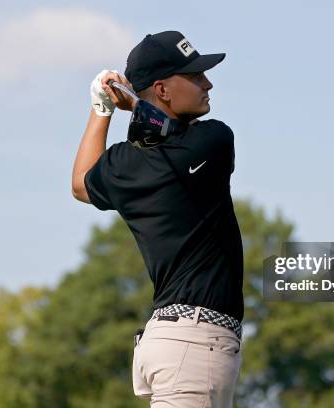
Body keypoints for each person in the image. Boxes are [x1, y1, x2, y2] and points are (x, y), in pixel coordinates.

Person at [71, 30, 243, 407]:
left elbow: (82, 185)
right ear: (163, 90)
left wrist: (101, 110)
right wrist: (134, 105)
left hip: (170, 341)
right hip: (194, 345)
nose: (207, 82)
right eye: (195, 76)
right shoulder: (213, 139)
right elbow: (169, 137)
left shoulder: (125, 164)